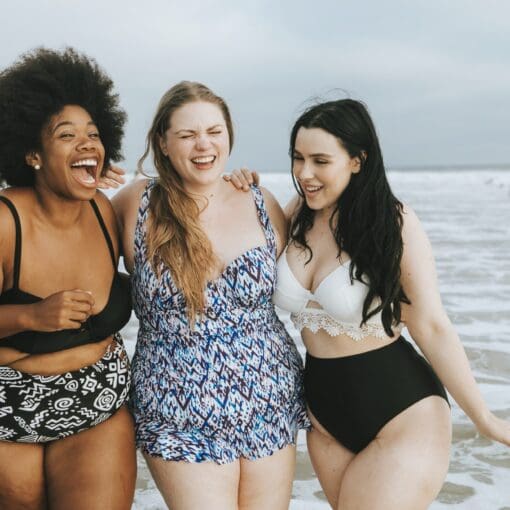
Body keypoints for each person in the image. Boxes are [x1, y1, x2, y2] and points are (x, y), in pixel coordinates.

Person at [228, 98, 510, 509]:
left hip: (401, 411)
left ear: (357, 160)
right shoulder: (296, 215)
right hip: (324, 417)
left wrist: (483, 418)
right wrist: (236, 189)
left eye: (320, 160)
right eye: (297, 158)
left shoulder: (393, 222)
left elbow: (430, 325)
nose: (304, 173)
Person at [112, 81, 308, 510]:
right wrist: (83, 180)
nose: (204, 145)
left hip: (267, 398)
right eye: (187, 135)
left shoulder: (259, 199)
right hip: (176, 407)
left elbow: (320, 258)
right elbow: (67, 245)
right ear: (162, 143)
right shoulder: (134, 204)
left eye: (214, 132)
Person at [0, 48, 135, 509]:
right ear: (33, 153)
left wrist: (239, 184)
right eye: (67, 135)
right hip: (9, 410)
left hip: (98, 405)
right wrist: (31, 315)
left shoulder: (105, 211)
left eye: (93, 135)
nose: (87, 144)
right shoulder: (5, 221)